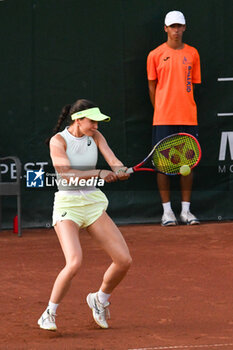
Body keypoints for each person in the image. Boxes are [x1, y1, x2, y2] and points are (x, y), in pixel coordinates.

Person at [38, 99, 132, 331]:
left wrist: (120, 170)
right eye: (93, 122)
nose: (96, 127)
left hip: (92, 204)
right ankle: (49, 313)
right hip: (68, 204)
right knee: (75, 262)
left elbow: (113, 160)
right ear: (78, 120)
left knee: (123, 260)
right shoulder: (58, 141)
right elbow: (66, 175)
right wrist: (99, 173)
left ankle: (99, 299)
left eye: (98, 123)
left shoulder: (96, 137)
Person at [147, 10, 201, 226]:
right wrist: (161, 109)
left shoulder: (193, 54)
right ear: (165, 28)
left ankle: (186, 212)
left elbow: (193, 85)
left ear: (184, 28)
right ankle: (167, 212)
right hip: (163, 119)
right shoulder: (155, 55)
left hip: (188, 117)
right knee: (163, 165)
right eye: (172, 26)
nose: (176, 30)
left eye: (180, 26)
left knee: (188, 165)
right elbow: (152, 86)